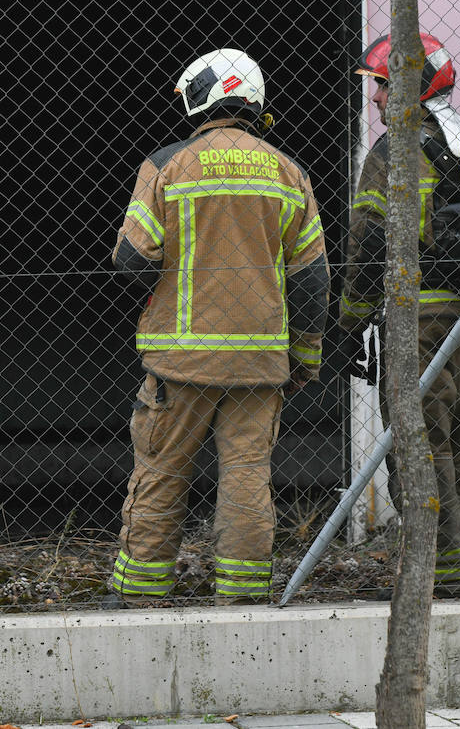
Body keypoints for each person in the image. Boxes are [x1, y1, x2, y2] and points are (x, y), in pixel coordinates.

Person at [107, 48, 328, 606]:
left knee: (160, 469)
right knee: (247, 474)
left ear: (200, 98)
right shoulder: (289, 172)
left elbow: (131, 259)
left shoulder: (166, 166)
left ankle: (138, 593)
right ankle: (243, 594)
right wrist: (305, 355)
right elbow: (311, 280)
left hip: (179, 360)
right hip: (259, 362)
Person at [334, 32, 460, 595]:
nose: (376, 99)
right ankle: (458, 561)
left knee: (418, 438)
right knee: (455, 432)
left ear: (411, 87)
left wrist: (347, 319)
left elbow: (368, 241)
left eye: (384, 86)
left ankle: (433, 571)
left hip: (418, 313)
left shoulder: (394, 151)